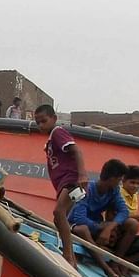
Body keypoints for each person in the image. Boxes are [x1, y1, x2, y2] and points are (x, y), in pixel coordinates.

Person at [36, 103, 85, 268]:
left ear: (54, 119)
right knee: (59, 219)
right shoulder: (50, 141)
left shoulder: (58, 133)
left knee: (59, 212)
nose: (40, 125)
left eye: (43, 121)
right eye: (38, 123)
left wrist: (82, 174)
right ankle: (72, 256)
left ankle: (68, 256)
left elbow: (76, 150)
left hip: (70, 179)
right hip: (62, 184)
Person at [68, 160, 131, 277]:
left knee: (132, 224)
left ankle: (115, 262)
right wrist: (100, 227)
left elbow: (124, 211)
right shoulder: (86, 189)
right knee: (83, 230)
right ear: (112, 179)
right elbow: (78, 218)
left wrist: (110, 227)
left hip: (98, 226)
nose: (119, 184)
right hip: (75, 225)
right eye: (119, 180)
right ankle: (106, 269)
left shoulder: (114, 191)